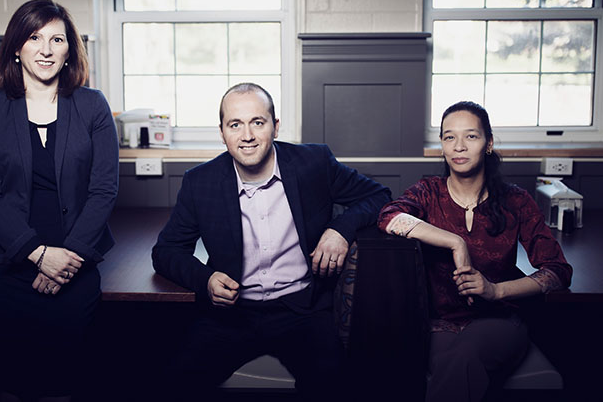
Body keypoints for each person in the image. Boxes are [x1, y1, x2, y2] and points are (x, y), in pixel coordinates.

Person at [152, 82, 391, 399]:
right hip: (232, 315)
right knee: (175, 382)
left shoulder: (313, 163)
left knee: (333, 383)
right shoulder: (200, 182)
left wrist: (339, 229)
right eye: (235, 124)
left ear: (275, 127)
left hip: (302, 310)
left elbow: (378, 195)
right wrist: (205, 279)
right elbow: (166, 251)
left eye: (257, 122)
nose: (246, 135)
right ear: (222, 132)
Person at [0, 0, 119, 401]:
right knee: (14, 384)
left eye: (57, 39)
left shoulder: (92, 106)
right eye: (35, 38)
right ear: (16, 48)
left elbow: (104, 190)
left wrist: (63, 262)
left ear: (70, 49)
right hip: (2, 270)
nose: (46, 49)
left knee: (70, 381)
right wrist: (37, 254)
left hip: (74, 264)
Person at [377, 101, 572, 402]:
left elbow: (558, 272)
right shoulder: (428, 192)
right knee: (449, 362)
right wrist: (456, 242)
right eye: (449, 137)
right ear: (442, 145)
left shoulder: (515, 201)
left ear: (489, 143)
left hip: (499, 322)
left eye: (471, 136)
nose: (459, 146)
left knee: (465, 356)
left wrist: (495, 291)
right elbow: (389, 217)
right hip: (437, 324)